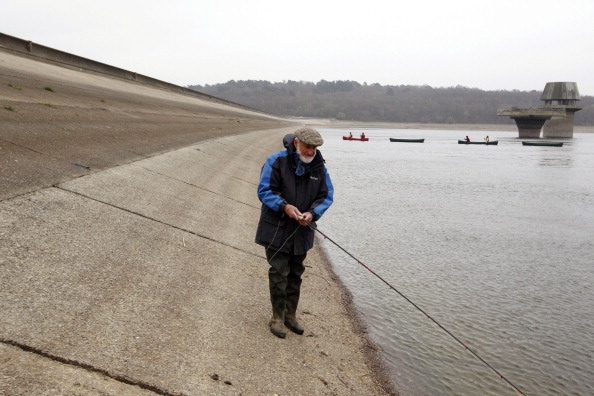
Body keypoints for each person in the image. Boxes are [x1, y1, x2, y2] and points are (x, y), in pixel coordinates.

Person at [255, 127, 334, 338]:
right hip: (276, 228)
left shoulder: (319, 167)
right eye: (308, 147)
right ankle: (277, 318)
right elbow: (264, 191)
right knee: (279, 272)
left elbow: (326, 196)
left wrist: (312, 213)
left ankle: (291, 316)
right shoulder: (276, 161)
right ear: (297, 143)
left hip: (302, 230)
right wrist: (284, 206)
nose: (311, 152)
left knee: (296, 273)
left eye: (315, 148)